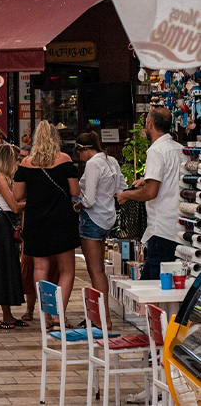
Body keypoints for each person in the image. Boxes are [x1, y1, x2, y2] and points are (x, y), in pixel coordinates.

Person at [13, 121, 80, 319]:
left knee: (40, 268)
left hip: (35, 221)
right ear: (55, 139)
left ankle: (46, 316)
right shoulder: (65, 160)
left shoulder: (26, 164)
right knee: (66, 270)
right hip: (61, 221)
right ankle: (59, 315)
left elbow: (17, 196)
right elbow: (75, 192)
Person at [117, 107, 186, 280]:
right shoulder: (179, 149)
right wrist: (145, 181)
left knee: (153, 285)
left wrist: (126, 195)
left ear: (150, 124)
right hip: (179, 226)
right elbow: (170, 180)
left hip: (162, 229)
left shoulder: (156, 151)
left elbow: (151, 192)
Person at [73, 131, 126, 328]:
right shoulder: (111, 160)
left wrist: (76, 205)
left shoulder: (93, 163)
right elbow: (121, 187)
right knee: (100, 270)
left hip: (92, 218)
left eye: (79, 153)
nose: (80, 158)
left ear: (84, 149)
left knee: (95, 271)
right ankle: (102, 316)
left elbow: (89, 199)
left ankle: (102, 318)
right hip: (108, 217)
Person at [0, 144, 26, 330]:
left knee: (6, 268)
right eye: (16, 159)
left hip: (4, 223)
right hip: (2, 223)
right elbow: (15, 206)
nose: (18, 163)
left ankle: (7, 315)